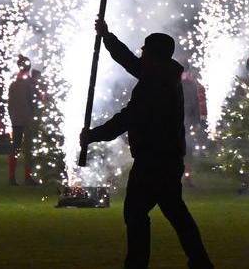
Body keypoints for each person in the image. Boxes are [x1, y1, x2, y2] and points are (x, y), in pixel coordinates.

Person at [81, 17, 213, 269]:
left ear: (153, 56)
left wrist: (93, 135)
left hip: (153, 161)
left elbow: (127, 118)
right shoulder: (162, 74)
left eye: (145, 50)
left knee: (136, 213)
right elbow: (129, 61)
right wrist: (107, 37)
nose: (140, 53)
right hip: (167, 158)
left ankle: (138, 264)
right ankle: (200, 262)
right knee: (176, 213)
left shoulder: (155, 84)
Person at [6, 55, 42, 186]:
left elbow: (10, 104)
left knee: (15, 148)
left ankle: (12, 177)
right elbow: (33, 102)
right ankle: (27, 176)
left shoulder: (13, 84)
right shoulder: (29, 84)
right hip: (27, 119)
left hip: (16, 119)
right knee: (28, 148)